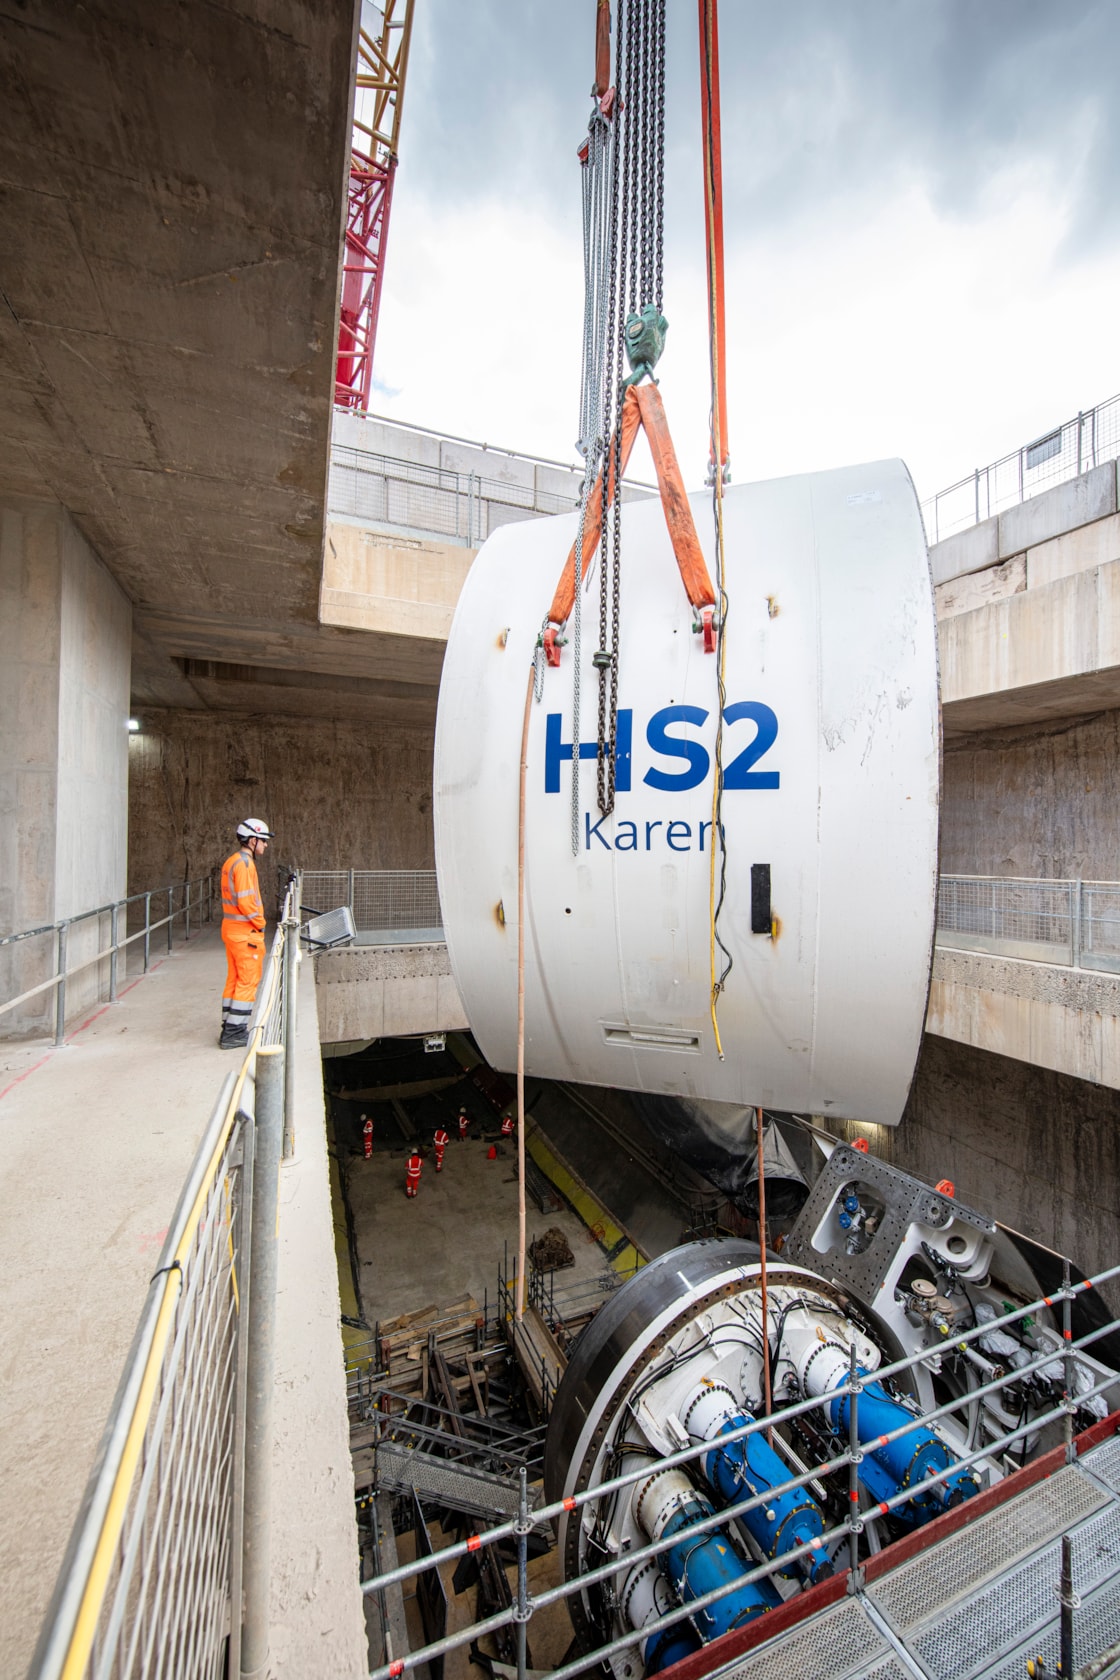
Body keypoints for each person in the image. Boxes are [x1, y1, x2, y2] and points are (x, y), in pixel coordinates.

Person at [219, 817, 273, 1048]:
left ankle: (228, 1028)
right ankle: (234, 1034)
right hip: (245, 933)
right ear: (252, 841)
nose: (266, 845)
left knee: (235, 979)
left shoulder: (232, 861)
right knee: (248, 981)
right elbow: (246, 900)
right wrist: (260, 922)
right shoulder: (244, 864)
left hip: (232, 930)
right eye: (263, 841)